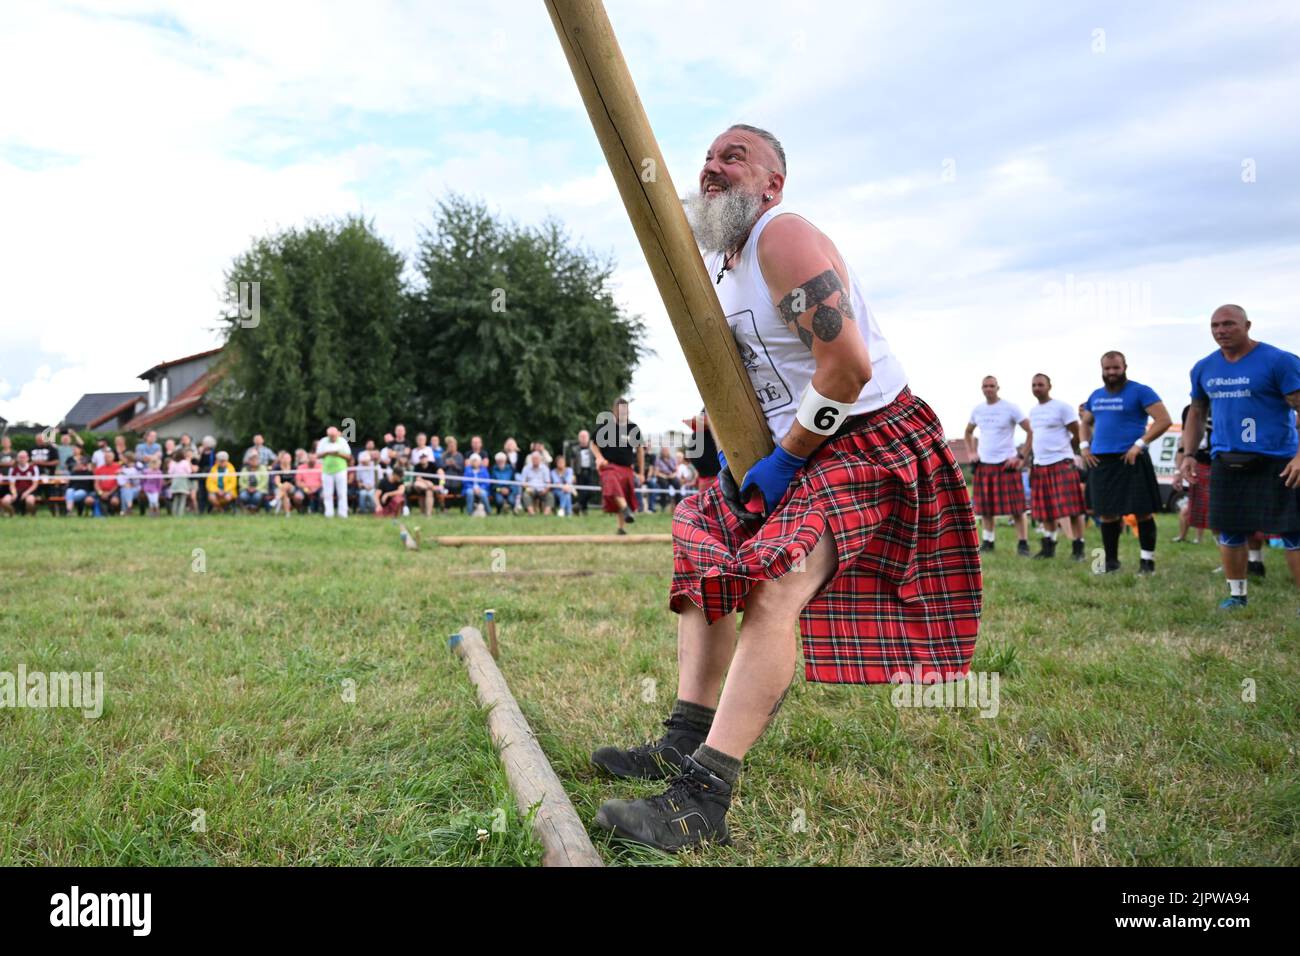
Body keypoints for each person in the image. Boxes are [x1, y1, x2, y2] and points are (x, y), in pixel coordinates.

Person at [590, 125, 981, 852]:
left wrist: (786, 460)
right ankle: (683, 739)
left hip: (866, 438)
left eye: (734, 157)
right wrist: (733, 444)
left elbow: (847, 367)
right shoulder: (720, 259)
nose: (712, 166)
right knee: (704, 549)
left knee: (775, 583)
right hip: (784, 445)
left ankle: (703, 799)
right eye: (707, 157)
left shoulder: (782, 237)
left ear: (773, 184)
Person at [1180, 305, 1300, 609]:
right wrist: (1188, 453)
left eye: (1229, 324)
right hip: (1227, 461)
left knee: (1293, 531)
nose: (1221, 330)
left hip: (1279, 460)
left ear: (1247, 325)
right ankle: (1237, 596)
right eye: (1215, 325)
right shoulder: (1204, 367)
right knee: (1229, 529)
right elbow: (1196, 412)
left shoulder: (1279, 361)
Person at [1080, 351, 1172, 574]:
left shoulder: (1140, 391)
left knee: (1142, 512)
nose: (1111, 373)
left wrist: (1140, 444)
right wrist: (1084, 447)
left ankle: (1147, 563)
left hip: (1131, 458)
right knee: (1106, 513)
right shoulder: (1096, 395)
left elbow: (1164, 420)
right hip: (1101, 461)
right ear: (1102, 370)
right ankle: (1110, 563)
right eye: (1107, 369)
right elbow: (1084, 423)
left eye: (1116, 368)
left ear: (1125, 367)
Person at [964, 376, 1033, 556]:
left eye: (992, 386)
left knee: (1017, 508)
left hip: (1006, 464)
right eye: (985, 386)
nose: (988, 389)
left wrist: (1021, 457)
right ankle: (988, 541)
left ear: (998, 388)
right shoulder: (978, 410)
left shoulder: (1010, 408)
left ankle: (1023, 543)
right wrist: (971, 452)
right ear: (982, 388)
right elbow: (968, 432)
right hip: (984, 464)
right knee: (986, 508)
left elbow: (1030, 430)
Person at [1027, 373, 1088, 560]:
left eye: (1040, 384)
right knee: (1046, 510)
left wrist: (1068, 450)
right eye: (1034, 385)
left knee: (1072, 509)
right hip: (1040, 464)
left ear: (1049, 386)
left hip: (1062, 463)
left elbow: (1077, 433)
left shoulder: (1062, 407)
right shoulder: (1033, 411)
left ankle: (1078, 547)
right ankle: (1049, 546)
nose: (1037, 388)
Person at [592, 398, 644, 535]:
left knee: (622, 496)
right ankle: (627, 511)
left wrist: (641, 472)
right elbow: (593, 444)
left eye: (626, 411)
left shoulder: (633, 428)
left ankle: (621, 528)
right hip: (609, 466)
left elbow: (640, 450)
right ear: (614, 411)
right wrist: (599, 457)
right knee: (613, 487)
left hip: (626, 468)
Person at [1172, 404, 1212, 545]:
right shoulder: (1189, 410)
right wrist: (1178, 471)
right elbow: (1183, 441)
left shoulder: (1226, 404)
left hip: (1222, 463)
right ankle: (1186, 537)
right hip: (1198, 465)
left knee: (1220, 514)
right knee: (1193, 509)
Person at [316, 426, 351, 518]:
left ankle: (343, 513)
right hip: (327, 470)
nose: (332, 437)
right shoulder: (323, 441)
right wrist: (327, 453)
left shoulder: (342, 441)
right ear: (328, 435)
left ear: (337, 434)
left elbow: (348, 457)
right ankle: (329, 513)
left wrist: (338, 453)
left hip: (341, 470)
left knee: (342, 492)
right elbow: (318, 455)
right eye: (330, 436)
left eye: (334, 436)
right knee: (327, 493)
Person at [684, 410, 721, 493]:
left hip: (717, 477)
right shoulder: (707, 407)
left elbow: (712, 420)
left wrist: (707, 421)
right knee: (707, 504)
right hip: (704, 477)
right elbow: (697, 420)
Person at [567, 430, 600, 515]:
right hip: (579, 472)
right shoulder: (574, 449)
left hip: (591, 472)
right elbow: (572, 463)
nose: (583, 438)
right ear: (579, 438)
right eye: (581, 437)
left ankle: (578, 505)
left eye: (585, 437)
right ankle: (584, 510)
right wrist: (573, 474)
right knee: (581, 492)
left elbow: (598, 459)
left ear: (588, 438)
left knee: (592, 491)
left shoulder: (593, 448)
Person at [1, 450, 41, 516]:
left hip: (29, 491)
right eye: (20, 457)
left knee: (30, 501)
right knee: (5, 501)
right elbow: (12, 484)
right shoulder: (13, 468)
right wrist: (14, 493)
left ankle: (30, 514)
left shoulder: (34, 468)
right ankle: (12, 514)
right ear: (17, 458)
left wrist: (26, 493)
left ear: (28, 458)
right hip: (16, 490)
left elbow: (35, 484)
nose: (22, 459)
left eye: (24, 457)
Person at [90, 449, 122, 516]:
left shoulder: (118, 467)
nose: (107, 459)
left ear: (113, 458)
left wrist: (109, 493)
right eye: (105, 457)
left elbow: (118, 483)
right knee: (88, 500)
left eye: (109, 457)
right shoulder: (99, 469)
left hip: (113, 491)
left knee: (115, 501)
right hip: (101, 491)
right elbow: (96, 483)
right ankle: (95, 512)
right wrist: (101, 493)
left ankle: (113, 512)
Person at [650, 445, 681, 512]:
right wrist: (664, 476)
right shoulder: (658, 460)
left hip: (671, 475)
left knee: (677, 483)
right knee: (664, 485)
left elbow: (676, 470)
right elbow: (656, 472)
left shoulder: (672, 459)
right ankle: (663, 506)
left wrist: (672, 475)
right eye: (663, 450)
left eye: (666, 450)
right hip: (662, 476)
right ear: (661, 451)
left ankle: (678, 505)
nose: (665, 452)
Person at [168, 449, 194, 516]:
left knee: (176, 499)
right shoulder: (185, 462)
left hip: (175, 482)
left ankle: (174, 514)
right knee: (182, 499)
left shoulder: (172, 463)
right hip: (183, 482)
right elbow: (189, 472)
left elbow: (170, 473)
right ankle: (180, 514)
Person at [355, 451, 379, 515]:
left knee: (370, 494)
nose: (363, 463)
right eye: (362, 462)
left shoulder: (376, 466)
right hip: (363, 487)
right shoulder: (359, 467)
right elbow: (358, 481)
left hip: (374, 487)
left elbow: (379, 481)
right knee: (362, 494)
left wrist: (372, 486)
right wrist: (364, 485)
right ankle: (363, 511)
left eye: (365, 461)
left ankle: (372, 510)